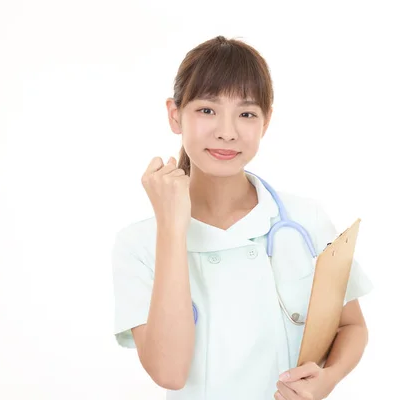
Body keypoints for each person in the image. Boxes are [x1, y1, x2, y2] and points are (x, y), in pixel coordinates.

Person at [111, 35, 374, 400]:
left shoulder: (306, 219)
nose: (227, 131)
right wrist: (172, 227)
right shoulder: (138, 244)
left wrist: (329, 378)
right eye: (207, 110)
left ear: (265, 123)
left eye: (247, 114)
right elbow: (169, 373)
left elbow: (352, 325)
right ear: (175, 114)